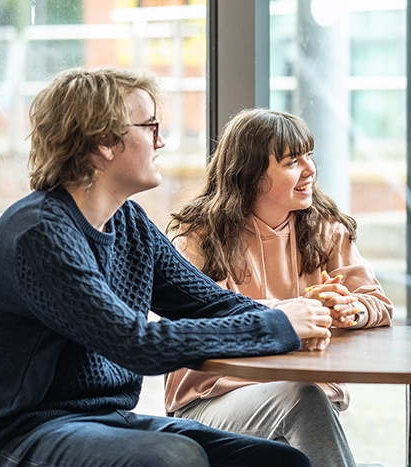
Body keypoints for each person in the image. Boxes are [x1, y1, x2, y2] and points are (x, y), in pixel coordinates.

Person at [0, 68, 331, 467]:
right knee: (174, 457)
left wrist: (294, 319)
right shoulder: (41, 233)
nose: (161, 141)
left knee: (279, 461)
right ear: (103, 142)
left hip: (103, 422)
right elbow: (137, 344)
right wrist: (277, 325)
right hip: (16, 438)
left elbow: (208, 302)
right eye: (150, 127)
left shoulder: (129, 222)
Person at [164, 108, 393, 467]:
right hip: (211, 397)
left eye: (309, 156)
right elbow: (208, 315)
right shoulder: (202, 236)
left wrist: (350, 309)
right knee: (303, 399)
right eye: (291, 161)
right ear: (251, 174)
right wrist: (300, 309)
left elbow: (377, 302)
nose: (309, 169)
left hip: (303, 393)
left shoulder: (324, 228)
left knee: (305, 398)